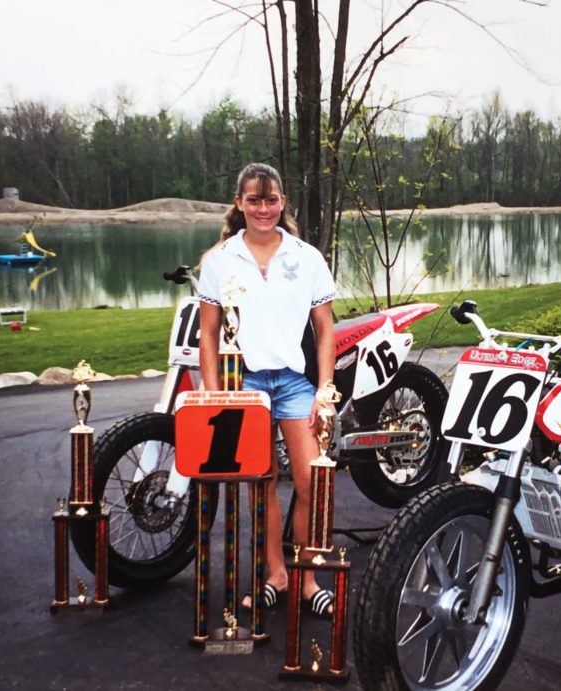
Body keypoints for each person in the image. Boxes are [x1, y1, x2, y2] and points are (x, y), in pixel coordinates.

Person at [197, 162, 337, 617]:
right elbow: (209, 334)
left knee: (310, 481)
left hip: (295, 382)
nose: (263, 208)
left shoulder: (306, 256)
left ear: (283, 202)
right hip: (247, 383)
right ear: (239, 203)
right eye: (254, 200)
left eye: (271, 199)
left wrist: (325, 387)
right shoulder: (219, 261)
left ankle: (307, 577)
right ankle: (275, 574)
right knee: (263, 486)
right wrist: (218, 397)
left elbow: (325, 328)